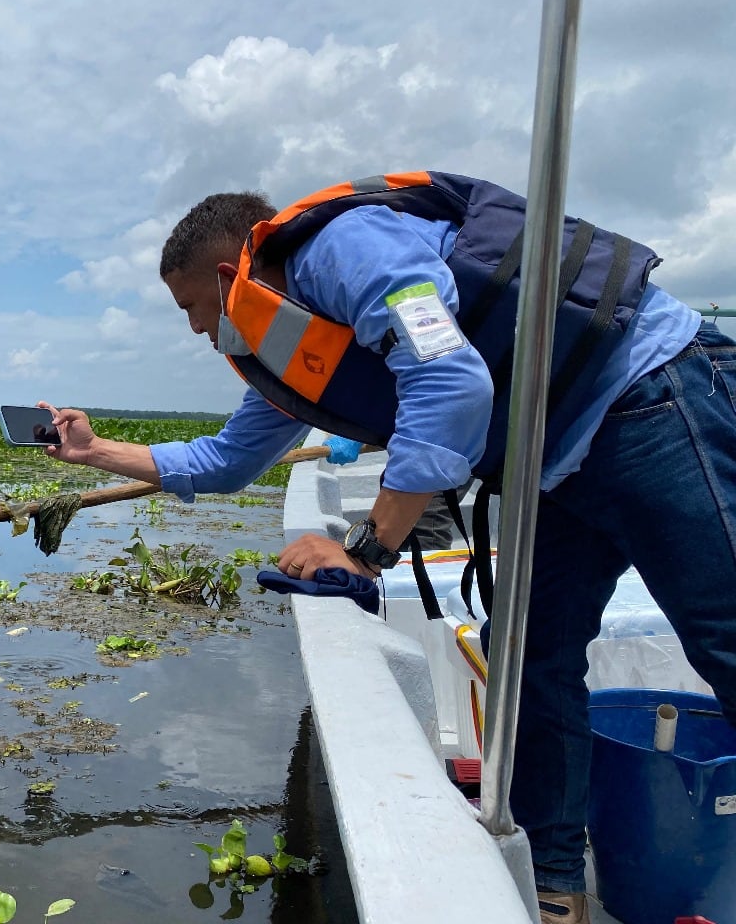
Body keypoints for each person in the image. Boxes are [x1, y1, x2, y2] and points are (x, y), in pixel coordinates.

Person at [40, 171, 736, 924]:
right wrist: (94, 450)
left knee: (723, 639)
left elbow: (450, 380)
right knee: (529, 657)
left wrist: (366, 551)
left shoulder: (343, 247)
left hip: (650, 394)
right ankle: (555, 887)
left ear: (224, 275)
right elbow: (227, 461)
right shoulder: (285, 348)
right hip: (556, 458)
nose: (193, 330)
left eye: (190, 308)